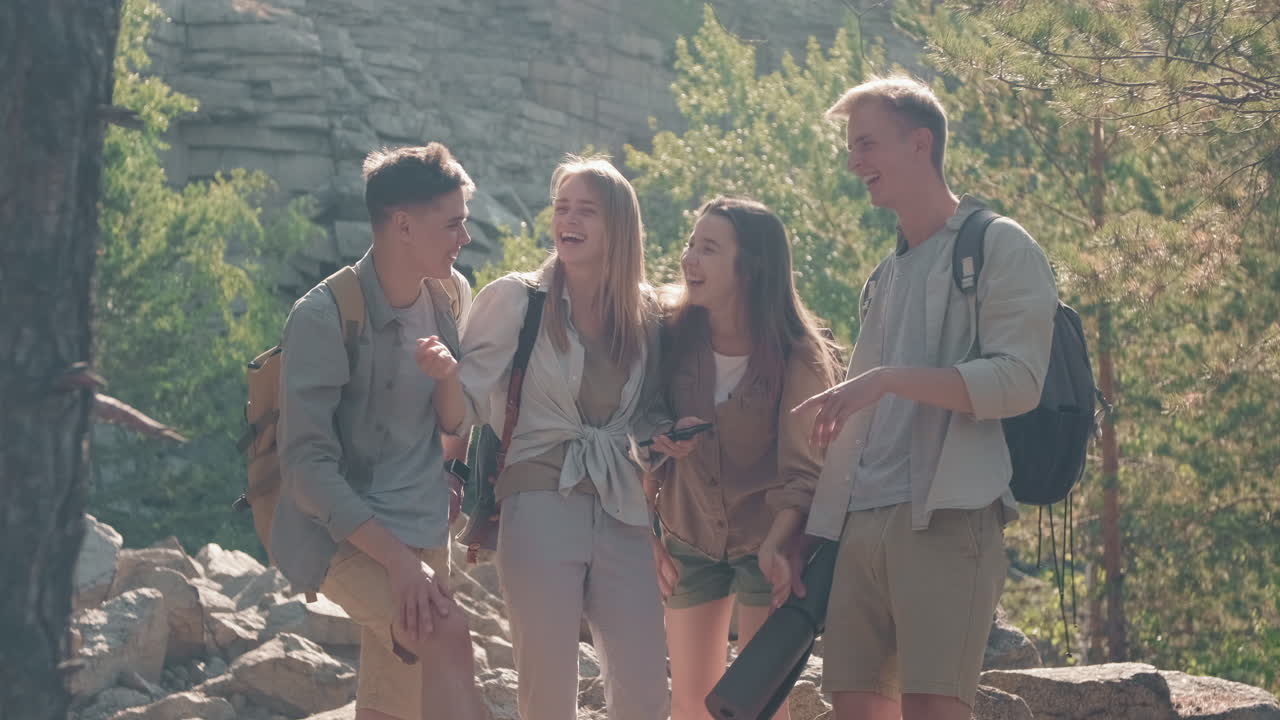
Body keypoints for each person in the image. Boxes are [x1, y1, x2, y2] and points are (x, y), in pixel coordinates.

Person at [791, 75, 1059, 720]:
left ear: (920, 143)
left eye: (867, 143)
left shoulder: (1001, 244)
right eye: (852, 146)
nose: (854, 161)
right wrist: (816, 529)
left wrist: (886, 379)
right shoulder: (884, 274)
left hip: (949, 519)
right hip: (862, 525)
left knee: (935, 707)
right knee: (855, 705)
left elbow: (1018, 382)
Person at [426, 155, 673, 720]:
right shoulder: (517, 299)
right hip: (538, 499)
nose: (570, 219)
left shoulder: (648, 313)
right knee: (548, 689)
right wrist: (444, 465)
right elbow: (461, 402)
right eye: (563, 207)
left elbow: (648, 415)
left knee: (645, 693)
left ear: (619, 225)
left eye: (587, 210)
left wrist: (667, 436)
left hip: (623, 508)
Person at [272, 143, 487, 720]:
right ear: (403, 225)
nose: (464, 238)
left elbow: (453, 420)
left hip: (422, 525)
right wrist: (398, 562)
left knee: (397, 699)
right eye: (454, 224)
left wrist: (453, 453)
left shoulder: (449, 296)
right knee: (445, 641)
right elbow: (307, 472)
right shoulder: (322, 316)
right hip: (341, 534)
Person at [646, 196, 839, 720]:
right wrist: (648, 535)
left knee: (756, 705)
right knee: (689, 705)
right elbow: (632, 431)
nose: (689, 258)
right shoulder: (664, 335)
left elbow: (805, 470)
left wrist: (781, 544)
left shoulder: (798, 354)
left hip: (767, 542)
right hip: (686, 538)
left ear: (751, 267)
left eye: (708, 248)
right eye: (690, 243)